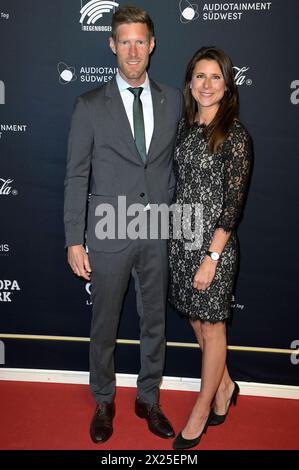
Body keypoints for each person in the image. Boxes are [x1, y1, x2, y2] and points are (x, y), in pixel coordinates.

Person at [64, 5, 182, 444]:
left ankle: (148, 398)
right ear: (112, 45)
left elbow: (176, 166)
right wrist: (74, 239)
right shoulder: (90, 105)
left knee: (155, 321)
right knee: (105, 322)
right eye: (124, 41)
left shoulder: (174, 101)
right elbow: (77, 174)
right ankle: (103, 399)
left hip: (156, 230)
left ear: (152, 45)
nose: (133, 51)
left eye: (140, 41)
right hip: (108, 230)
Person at [168, 46, 252, 450]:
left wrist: (212, 258)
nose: (206, 84)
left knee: (213, 324)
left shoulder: (235, 136)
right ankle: (226, 386)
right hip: (181, 240)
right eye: (200, 76)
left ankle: (201, 411)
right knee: (196, 321)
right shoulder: (184, 129)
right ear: (190, 82)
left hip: (213, 246)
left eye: (215, 76)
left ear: (227, 84)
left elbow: (233, 206)